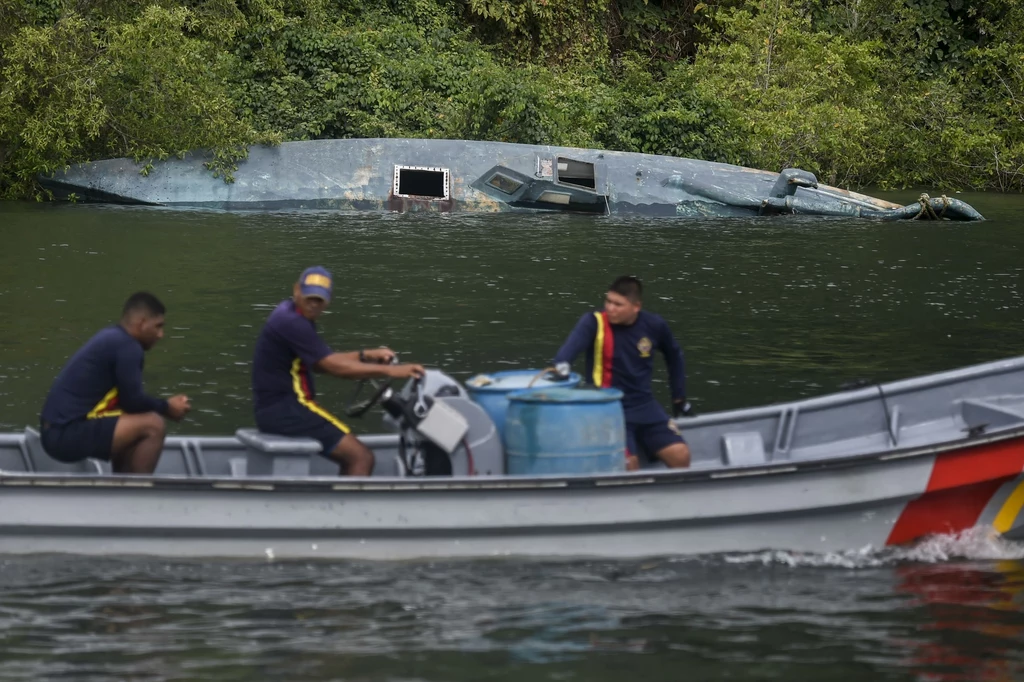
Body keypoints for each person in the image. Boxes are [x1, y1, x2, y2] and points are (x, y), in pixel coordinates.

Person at [251, 266, 425, 476]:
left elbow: (321, 361)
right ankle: (344, 508)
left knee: (357, 455)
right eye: (309, 298)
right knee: (361, 458)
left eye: (319, 300)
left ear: (328, 300)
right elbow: (333, 367)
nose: (314, 305)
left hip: (275, 410)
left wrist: (366, 355)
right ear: (296, 290)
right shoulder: (292, 323)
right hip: (288, 410)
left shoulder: (291, 313)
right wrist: (392, 372)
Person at [39, 292, 191, 473]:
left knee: (132, 421)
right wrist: (167, 407)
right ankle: (137, 496)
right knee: (154, 425)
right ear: (141, 323)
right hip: (65, 435)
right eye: (157, 326)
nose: (160, 334)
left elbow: (128, 403)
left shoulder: (113, 338)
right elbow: (133, 401)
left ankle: (121, 489)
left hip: (54, 432)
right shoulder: (129, 347)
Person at [552, 276, 692, 470]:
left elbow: (675, 356)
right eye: (608, 301)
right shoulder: (594, 323)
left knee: (681, 456)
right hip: (609, 408)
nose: (610, 308)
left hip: (644, 405)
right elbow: (563, 358)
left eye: (618, 304)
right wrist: (561, 369)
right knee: (628, 464)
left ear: (636, 307)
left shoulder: (654, 325)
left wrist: (679, 397)